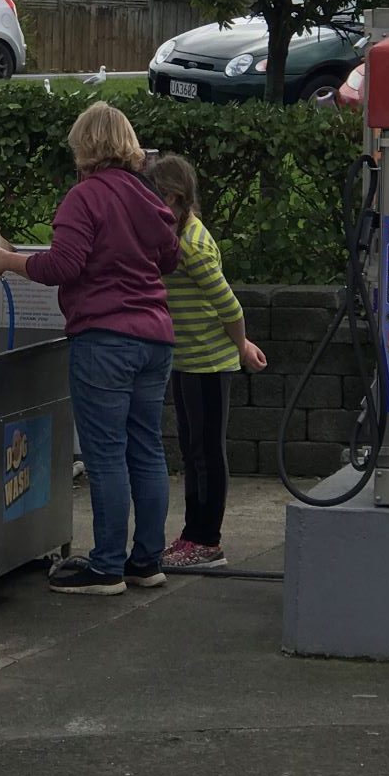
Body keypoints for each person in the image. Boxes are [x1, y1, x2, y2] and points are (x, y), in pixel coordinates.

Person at [0, 103, 179, 596]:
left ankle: (106, 566)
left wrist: (6, 261)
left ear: (85, 146)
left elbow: (62, 266)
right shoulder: (148, 194)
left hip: (104, 339)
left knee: (105, 454)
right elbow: (169, 258)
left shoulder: (84, 196)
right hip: (155, 339)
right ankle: (146, 561)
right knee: (147, 450)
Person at [148, 153, 267, 569]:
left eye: (153, 195)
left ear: (172, 197)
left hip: (208, 364)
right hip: (187, 359)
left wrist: (241, 346)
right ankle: (191, 535)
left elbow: (229, 306)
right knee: (191, 449)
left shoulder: (192, 246)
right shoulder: (176, 236)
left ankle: (207, 541)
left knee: (206, 452)